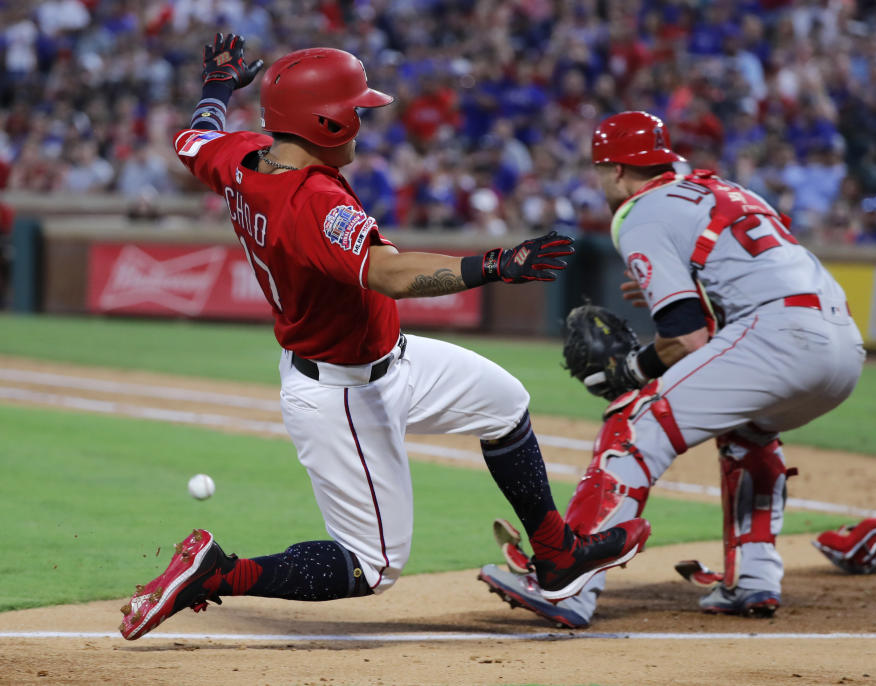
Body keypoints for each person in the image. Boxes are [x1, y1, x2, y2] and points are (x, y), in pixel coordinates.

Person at [118, 35, 650, 641]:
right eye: (355, 112)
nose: (362, 123)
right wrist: (496, 264)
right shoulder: (310, 200)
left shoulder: (244, 156)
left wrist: (217, 84)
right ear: (325, 121)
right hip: (341, 393)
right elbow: (390, 274)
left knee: (503, 403)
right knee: (372, 567)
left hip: (388, 361)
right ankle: (218, 574)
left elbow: (194, 140)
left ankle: (556, 556)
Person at [479, 111, 865, 628]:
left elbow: (687, 338)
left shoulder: (641, 211)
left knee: (633, 420)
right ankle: (753, 579)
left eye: (600, 170)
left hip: (778, 335)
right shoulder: (721, 191)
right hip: (842, 342)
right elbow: (732, 292)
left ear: (616, 170)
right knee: (747, 435)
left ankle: (566, 582)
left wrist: (633, 371)